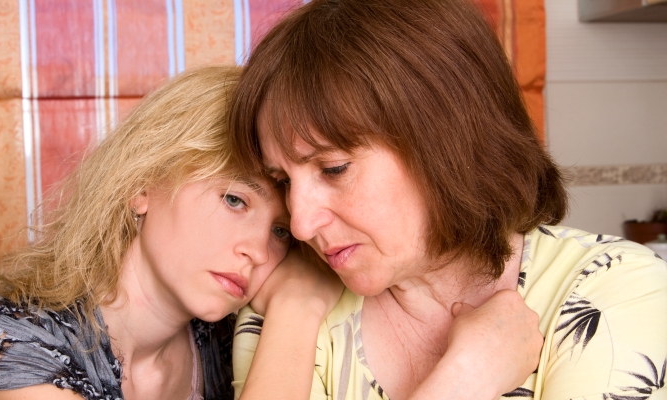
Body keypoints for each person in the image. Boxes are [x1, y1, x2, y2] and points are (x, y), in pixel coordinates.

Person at [229, 0, 667, 399]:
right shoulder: (289, 307)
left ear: (444, 142)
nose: (301, 224)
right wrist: (463, 380)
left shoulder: (615, 290)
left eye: (333, 169)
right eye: (283, 180)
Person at [0, 66, 341, 400]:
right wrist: (297, 307)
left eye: (280, 231)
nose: (258, 251)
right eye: (234, 200)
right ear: (142, 185)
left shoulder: (227, 341)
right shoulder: (4, 338)